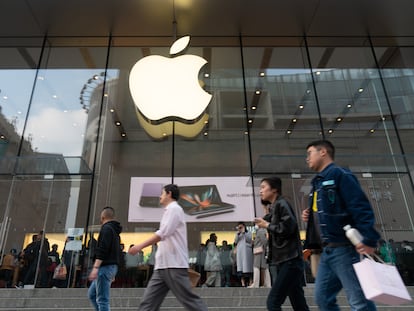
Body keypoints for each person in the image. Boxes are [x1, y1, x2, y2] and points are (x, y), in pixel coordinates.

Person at [302, 139, 380, 311]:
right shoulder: (317, 182)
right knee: (322, 298)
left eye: (310, 153)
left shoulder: (340, 174)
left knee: (359, 302)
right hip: (327, 250)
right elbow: (325, 209)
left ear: (323, 152)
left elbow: (360, 207)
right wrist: (310, 216)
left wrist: (369, 239)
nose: (307, 158)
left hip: (345, 248)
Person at [128, 184, 208, 311]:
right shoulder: (169, 211)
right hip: (162, 267)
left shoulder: (175, 209)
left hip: (174, 265)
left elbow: (163, 233)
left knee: (190, 302)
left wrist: (140, 246)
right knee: (148, 304)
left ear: (169, 194)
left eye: (162, 193)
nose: (160, 196)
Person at [254, 177, 310, 311]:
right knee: (299, 304)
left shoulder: (282, 204)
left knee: (273, 302)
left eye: (263, 187)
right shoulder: (275, 206)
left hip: (290, 260)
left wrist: (267, 225)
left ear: (274, 189)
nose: (260, 191)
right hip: (287, 260)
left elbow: (289, 227)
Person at [88, 206, 122, 311]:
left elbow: (102, 249)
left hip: (104, 268)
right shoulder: (114, 232)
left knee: (102, 300)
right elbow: (118, 253)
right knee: (92, 294)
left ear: (103, 217)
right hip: (109, 268)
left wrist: (95, 267)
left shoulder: (106, 229)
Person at [234, 222, 253, 287]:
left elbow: (249, 239)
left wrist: (244, 232)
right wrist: (238, 233)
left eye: (241, 227)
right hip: (240, 253)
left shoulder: (248, 233)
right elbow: (235, 241)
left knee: (248, 267)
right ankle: (243, 283)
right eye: (239, 227)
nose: (240, 228)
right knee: (241, 268)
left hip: (247, 252)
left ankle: (250, 282)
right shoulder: (237, 234)